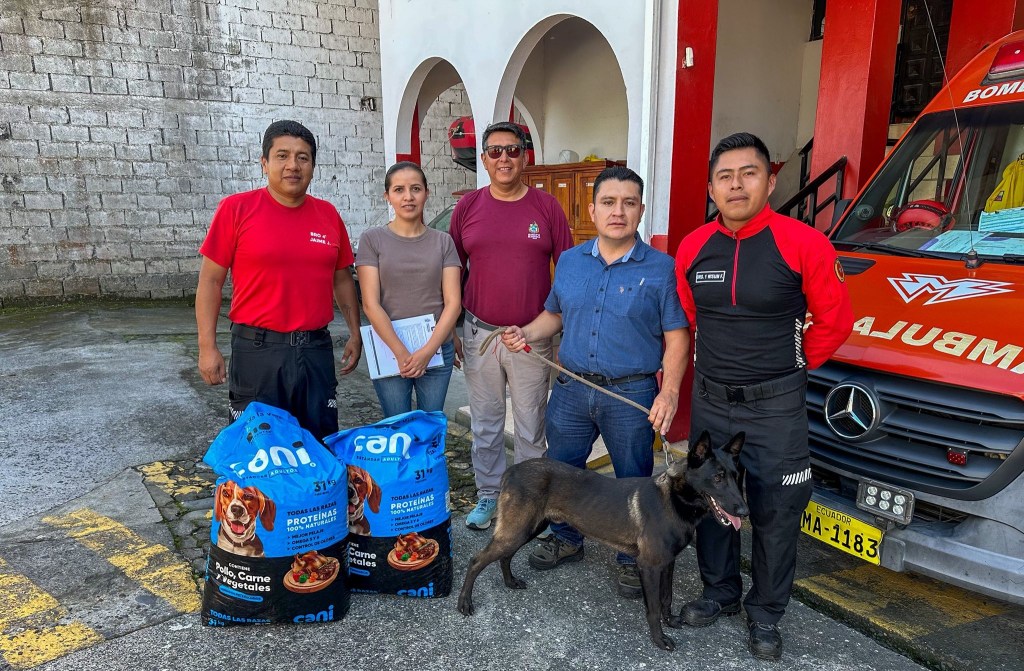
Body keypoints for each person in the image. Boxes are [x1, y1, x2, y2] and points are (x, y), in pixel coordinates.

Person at [674, 132, 853, 661]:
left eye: (748, 173)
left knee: (776, 509)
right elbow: (686, 318)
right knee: (710, 501)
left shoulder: (804, 243)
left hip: (776, 407)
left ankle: (766, 614)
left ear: (771, 180)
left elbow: (835, 321)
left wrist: (790, 369)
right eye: (725, 176)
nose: (736, 185)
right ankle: (719, 593)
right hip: (711, 399)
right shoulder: (692, 246)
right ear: (711, 187)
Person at [501, 166, 689, 598]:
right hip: (570, 391)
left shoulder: (662, 269)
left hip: (630, 393)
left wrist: (670, 390)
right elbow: (556, 315)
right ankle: (567, 539)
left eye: (628, 203)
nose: (617, 211)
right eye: (608, 202)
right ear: (592, 209)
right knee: (565, 473)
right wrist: (526, 332)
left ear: (641, 210)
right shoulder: (569, 261)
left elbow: (677, 335)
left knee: (633, 479)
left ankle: (632, 556)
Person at [195, 120, 362, 441]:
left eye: (303, 157)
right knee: (258, 447)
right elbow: (210, 282)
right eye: (282, 155)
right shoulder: (236, 209)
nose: (292, 165)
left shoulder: (328, 215)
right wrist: (207, 347)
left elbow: (342, 280)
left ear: (313, 166)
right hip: (257, 351)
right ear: (265, 163)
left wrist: (355, 333)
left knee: (319, 444)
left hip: (315, 350)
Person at [449, 121, 573, 530]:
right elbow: (452, 270)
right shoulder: (467, 207)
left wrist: (558, 331)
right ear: (483, 159)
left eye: (512, 150)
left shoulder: (546, 207)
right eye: (495, 151)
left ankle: (529, 502)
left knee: (530, 424)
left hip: (530, 337)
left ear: (525, 157)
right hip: (479, 332)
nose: (504, 158)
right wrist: (451, 326)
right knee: (485, 423)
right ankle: (488, 496)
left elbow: (567, 271)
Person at [355, 162, 462, 418]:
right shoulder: (372, 240)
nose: (408, 197)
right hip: (389, 349)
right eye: (399, 189)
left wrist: (427, 352)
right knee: (396, 428)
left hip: (436, 349)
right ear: (387, 196)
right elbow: (371, 304)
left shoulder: (443, 241)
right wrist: (401, 352)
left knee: (430, 429)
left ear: (427, 192)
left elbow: (453, 302)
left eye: (415, 189)